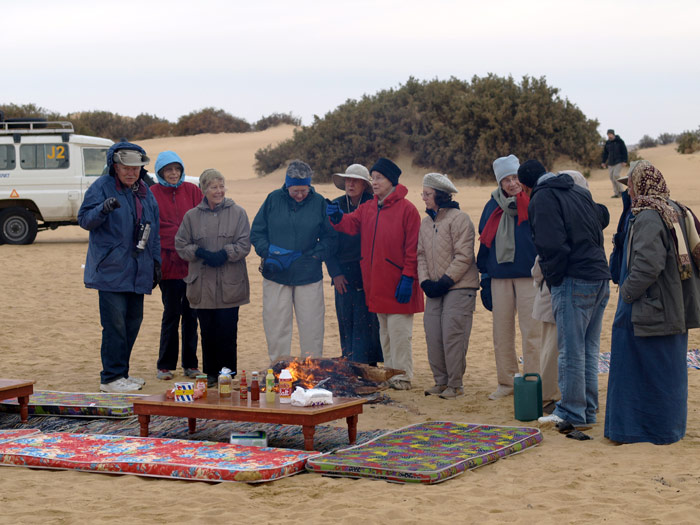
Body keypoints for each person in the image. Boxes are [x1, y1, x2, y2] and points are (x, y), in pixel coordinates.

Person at [604, 161, 700, 445]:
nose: (629, 191)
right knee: (668, 371)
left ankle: (640, 432)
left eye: (630, 184)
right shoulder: (677, 209)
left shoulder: (648, 216)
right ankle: (668, 430)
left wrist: (628, 293)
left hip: (650, 307)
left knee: (641, 370)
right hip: (674, 307)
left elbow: (647, 265)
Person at [517, 160, 610, 436]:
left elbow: (551, 244)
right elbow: (600, 221)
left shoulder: (543, 197)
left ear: (525, 186)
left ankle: (571, 411)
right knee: (588, 349)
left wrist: (555, 278)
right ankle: (587, 409)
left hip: (574, 278)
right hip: (598, 276)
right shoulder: (577, 191)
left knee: (570, 350)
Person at [327, 157, 424, 390]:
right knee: (385, 335)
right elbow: (350, 224)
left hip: (399, 282)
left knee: (400, 334)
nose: (375, 182)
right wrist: (337, 217)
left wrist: (408, 278)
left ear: (391, 180)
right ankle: (389, 375)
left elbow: (413, 249)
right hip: (376, 284)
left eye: (378, 177)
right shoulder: (368, 207)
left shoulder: (408, 210)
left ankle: (402, 376)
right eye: (373, 177)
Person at [78, 142, 161, 393]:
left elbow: (153, 231)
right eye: (125, 167)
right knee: (114, 325)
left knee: (133, 323)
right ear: (114, 166)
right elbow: (84, 220)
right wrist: (102, 209)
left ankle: (121, 374)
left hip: (138, 270)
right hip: (111, 271)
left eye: (136, 168)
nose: (131, 172)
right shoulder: (101, 187)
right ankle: (110, 378)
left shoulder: (145, 191)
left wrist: (156, 263)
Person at [250, 160, 337, 363]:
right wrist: (269, 253)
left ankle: (312, 368)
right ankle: (279, 367)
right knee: (276, 325)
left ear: (309, 185)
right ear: (287, 185)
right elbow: (257, 232)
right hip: (276, 275)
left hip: (309, 275)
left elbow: (330, 237)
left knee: (312, 325)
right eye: (295, 191)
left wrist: (314, 255)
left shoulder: (319, 202)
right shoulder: (272, 199)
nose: (299, 195)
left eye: (303, 190)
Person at [175, 169, 251, 387]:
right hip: (202, 285)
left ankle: (228, 374)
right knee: (207, 331)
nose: (218, 191)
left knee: (228, 330)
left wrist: (225, 253)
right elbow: (181, 244)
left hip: (230, 283)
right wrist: (199, 253)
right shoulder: (191, 216)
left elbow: (245, 244)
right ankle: (210, 374)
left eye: (221, 186)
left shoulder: (238, 212)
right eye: (213, 187)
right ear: (203, 190)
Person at [477, 154, 541, 400]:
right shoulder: (491, 206)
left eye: (515, 177)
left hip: (529, 277)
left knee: (532, 333)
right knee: (501, 334)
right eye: (506, 180)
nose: (512, 183)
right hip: (499, 277)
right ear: (499, 183)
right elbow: (484, 242)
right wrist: (484, 277)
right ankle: (507, 383)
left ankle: (533, 382)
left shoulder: (534, 201)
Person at [532, 170, 593, 412]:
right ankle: (550, 397)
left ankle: (559, 398)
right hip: (555, 288)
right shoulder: (568, 211)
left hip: (564, 287)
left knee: (562, 350)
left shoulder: (567, 211)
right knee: (553, 348)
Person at [417, 173, 478, 399]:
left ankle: (455, 384)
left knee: (453, 335)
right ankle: (440, 382)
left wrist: (445, 281)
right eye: (423, 193)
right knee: (433, 334)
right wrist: (425, 282)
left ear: (440, 195)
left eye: (427, 194)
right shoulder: (425, 223)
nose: (423, 198)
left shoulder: (460, 219)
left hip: (460, 287)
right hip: (433, 288)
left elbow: (464, 256)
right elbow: (420, 254)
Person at [150, 151, 203, 381]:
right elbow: (155, 227)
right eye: (168, 170)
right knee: (171, 313)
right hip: (169, 266)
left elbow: (202, 220)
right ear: (161, 172)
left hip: (192, 265)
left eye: (177, 169)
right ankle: (165, 365)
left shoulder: (192, 190)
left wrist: (188, 237)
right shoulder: (152, 193)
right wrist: (181, 234)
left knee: (192, 315)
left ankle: (191, 364)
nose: (173, 174)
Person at [325, 164, 383, 365]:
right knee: (346, 319)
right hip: (342, 272)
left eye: (355, 180)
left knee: (368, 321)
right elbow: (327, 241)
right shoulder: (335, 205)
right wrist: (335, 273)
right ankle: (350, 363)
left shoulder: (374, 205)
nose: (350, 184)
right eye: (348, 180)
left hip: (369, 270)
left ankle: (369, 365)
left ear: (364, 184)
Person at [601, 129, 628, 198]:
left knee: (616, 175)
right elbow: (605, 153)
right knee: (612, 177)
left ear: (613, 134)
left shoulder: (619, 141)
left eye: (610, 134)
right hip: (610, 163)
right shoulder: (607, 143)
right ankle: (616, 193)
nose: (609, 136)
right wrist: (603, 162)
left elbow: (624, 151)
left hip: (619, 162)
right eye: (608, 134)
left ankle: (622, 191)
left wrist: (625, 160)